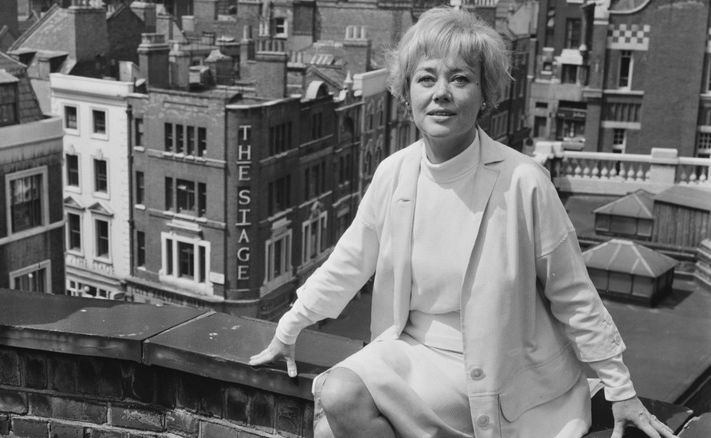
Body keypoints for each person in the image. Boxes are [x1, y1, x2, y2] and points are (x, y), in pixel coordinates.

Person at [250, 7, 677, 438]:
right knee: (339, 397)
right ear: (405, 93)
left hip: (501, 371)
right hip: (413, 356)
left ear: (484, 93)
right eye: (426, 78)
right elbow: (350, 261)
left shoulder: (524, 180)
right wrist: (289, 327)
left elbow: (573, 292)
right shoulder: (394, 173)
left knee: (328, 432)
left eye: (460, 79)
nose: (441, 93)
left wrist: (621, 388)